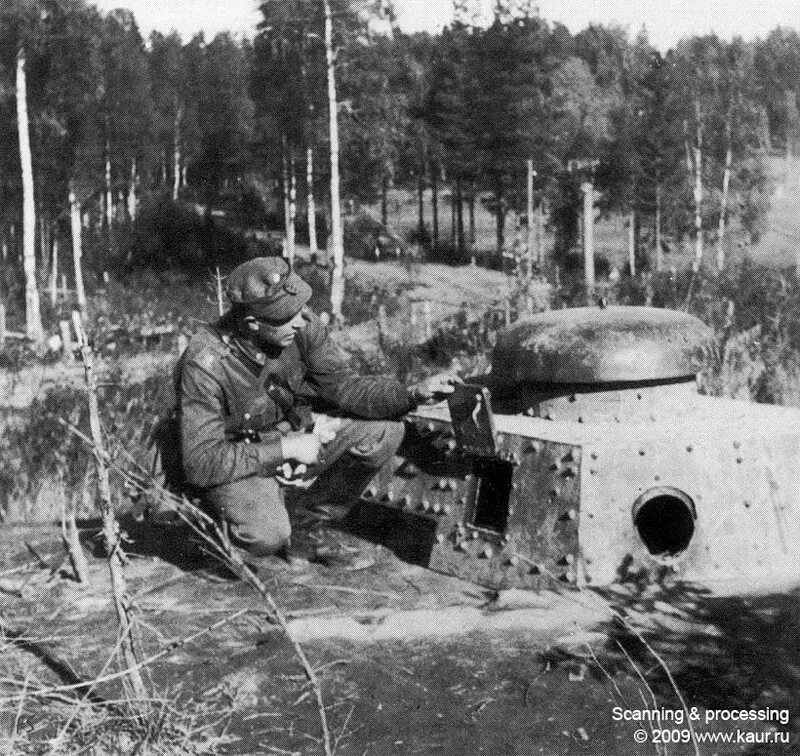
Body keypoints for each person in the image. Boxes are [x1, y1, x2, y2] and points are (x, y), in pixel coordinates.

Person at [173, 256, 457, 564]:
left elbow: (345, 388)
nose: (301, 321)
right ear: (252, 325)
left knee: (384, 432)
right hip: (233, 458)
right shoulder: (205, 364)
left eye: (298, 310)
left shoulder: (299, 325)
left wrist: (413, 393)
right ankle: (205, 521)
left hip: (286, 439)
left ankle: (304, 528)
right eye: (287, 317)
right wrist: (285, 449)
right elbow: (201, 462)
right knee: (266, 535)